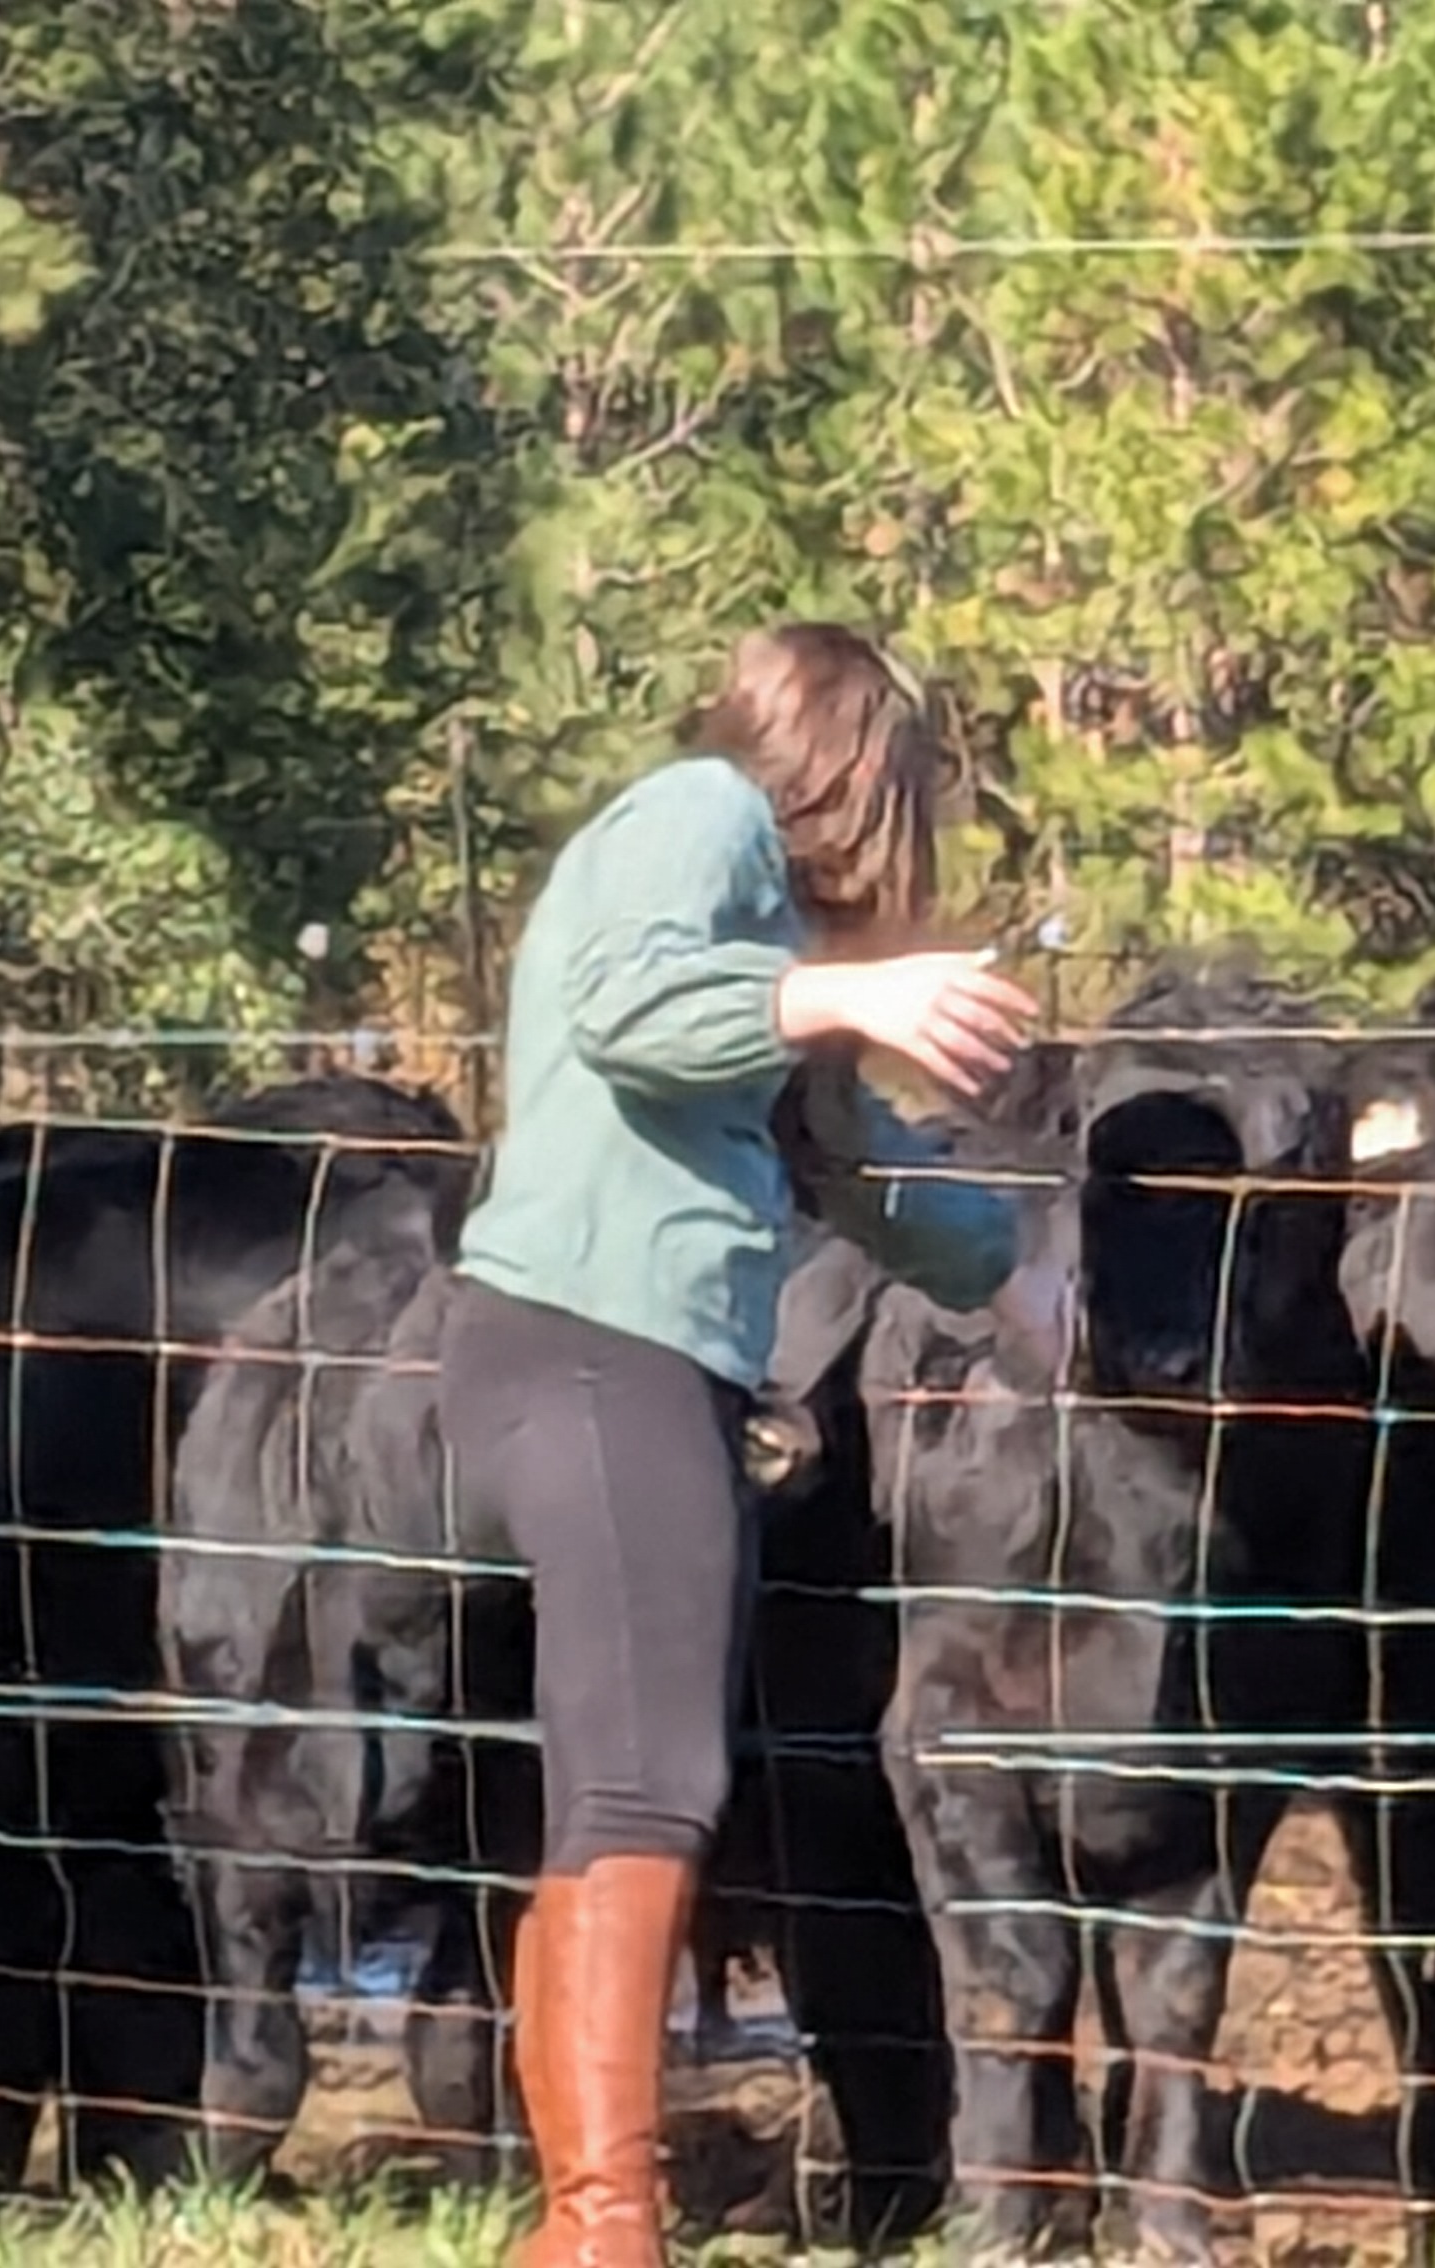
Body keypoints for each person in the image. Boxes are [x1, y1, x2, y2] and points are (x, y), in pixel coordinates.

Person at [445, 623, 1052, 2266]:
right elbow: (629, 1005)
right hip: (601, 1345)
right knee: (651, 1782)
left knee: (617, 1781)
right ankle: (605, 2230)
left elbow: (844, 1154)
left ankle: (579, 2228)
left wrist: (1017, 1270)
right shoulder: (699, 813)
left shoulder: (767, 936)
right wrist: (848, 989)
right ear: (861, 770)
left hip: (604, 1357)